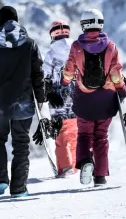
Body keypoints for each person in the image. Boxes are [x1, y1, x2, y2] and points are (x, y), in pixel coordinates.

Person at [0, 6, 45, 197]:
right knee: (21, 144)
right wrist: (40, 97)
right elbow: (38, 73)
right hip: (23, 103)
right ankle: (18, 188)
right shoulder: (30, 44)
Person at [60, 9, 126, 187]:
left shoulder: (76, 46)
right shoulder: (111, 46)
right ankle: (100, 176)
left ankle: (86, 161)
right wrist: (121, 90)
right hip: (106, 99)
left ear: (83, 25)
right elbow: (115, 73)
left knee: (84, 134)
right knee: (101, 136)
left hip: (84, 100)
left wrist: (65, 82)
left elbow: (69, 71)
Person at [42, 20, 78, 178]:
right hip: (79, 97)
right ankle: (77, 164)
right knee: (76, 132)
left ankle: (65, 167)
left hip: (58, 100)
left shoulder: (50, 55)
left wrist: (47, 92)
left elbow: (45, 77)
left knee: (61, 133)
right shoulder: (77, 50)